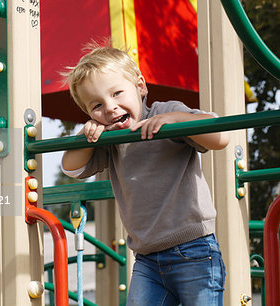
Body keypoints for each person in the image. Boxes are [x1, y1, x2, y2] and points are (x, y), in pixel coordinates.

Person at [61, 44, 229, 305]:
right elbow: (72, 168)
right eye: (96, 105)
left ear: (140, 86)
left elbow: (220, 137)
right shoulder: (111, 138)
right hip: (147, 259)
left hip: (194, 249)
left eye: (117, 93)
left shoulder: (165, 113)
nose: (111, 108)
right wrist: (86, 135)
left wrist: (176, 120)